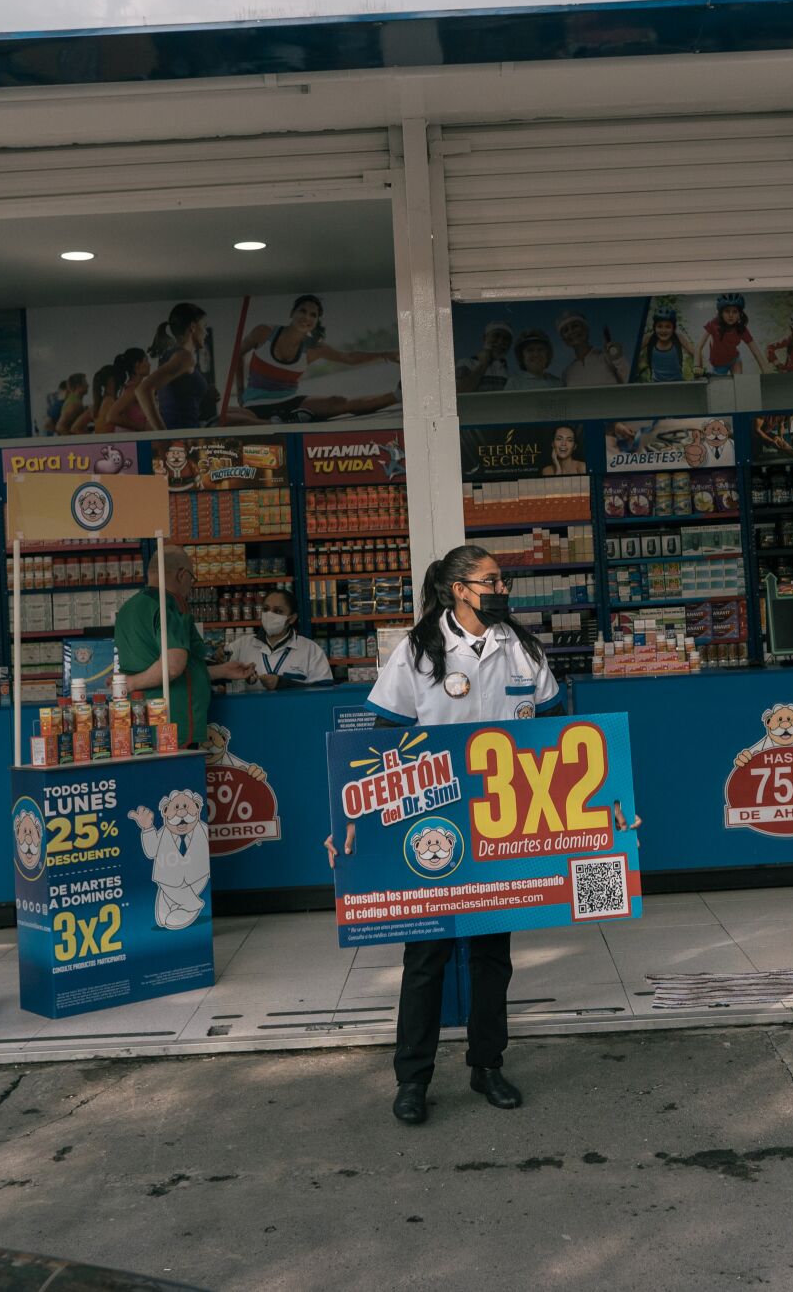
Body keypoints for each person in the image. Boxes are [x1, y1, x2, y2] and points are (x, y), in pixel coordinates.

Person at [335, 546, 563, 1126]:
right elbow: (381, 746)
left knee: (492, 954)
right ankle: (413, 1079)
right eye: (491, 579)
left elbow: (561, 731)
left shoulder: (522, 647)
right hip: (432, 822)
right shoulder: (417, 652)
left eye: (501, 579)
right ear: (459, 589)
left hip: (503, 822)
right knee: (427, 955)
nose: (501, 587)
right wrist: (355, 826)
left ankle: (488, 1066)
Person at [114, 546, 255, 749]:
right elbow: (172, 667)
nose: (191, 585)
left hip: (141, 720)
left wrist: (221, 671)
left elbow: (167, 665)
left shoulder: (130, 607)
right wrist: (131, 683)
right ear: (182, 575)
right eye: (192, 578)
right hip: (172, 724)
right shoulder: (169, 604)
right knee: (180, 781)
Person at [230, 293, 400, 422]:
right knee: (231, 417)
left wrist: (385, 354)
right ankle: (280, 422)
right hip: (254, 405)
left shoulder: (313, 348)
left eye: (313, 315)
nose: (306, 317)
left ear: (316, 321)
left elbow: (349, 358)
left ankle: (398, 396)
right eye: (302, 311)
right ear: (292, 313)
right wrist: (240, 390)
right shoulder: (264, 332)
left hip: (290, 402)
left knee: (339, 401)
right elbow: (238, 353)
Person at [223, 589, 333, 690]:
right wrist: (218, 658)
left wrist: (282, 683)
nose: (270, 614)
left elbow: (324, 691)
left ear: (292, 618)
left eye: (278, 611)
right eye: (266, 609)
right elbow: (215, 675)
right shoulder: (242, 645)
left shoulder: (311, 650)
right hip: (251, 710)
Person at [139, 303, 210, 431]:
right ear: (193, 327)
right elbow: (143, 390)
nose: (206, 333)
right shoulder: (184, 357)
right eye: (204, 327)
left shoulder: (170, 355)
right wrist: (163, 436)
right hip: (181, 436)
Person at [697, 294, 767, 377]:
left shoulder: (741, 329)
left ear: (739, 314)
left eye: (734, 311)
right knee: (720, 388)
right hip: (719, 364)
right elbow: (699, 347)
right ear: (721, 313)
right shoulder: (713, 324)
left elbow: (756, 352)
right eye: (727, 311)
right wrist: (697, 366)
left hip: (734, 360)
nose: (731, 315)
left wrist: (768, 376)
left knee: (738, 384)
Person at [556, 310, 626, 387]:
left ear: (586, 329)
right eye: (566, 330)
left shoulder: (606, 358)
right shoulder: (567, 373)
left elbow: (629, 382)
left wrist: (617, 358)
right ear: (564, 340)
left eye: (575, 326)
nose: (571, 332)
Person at [636, 307, 694, 383]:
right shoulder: (649, 338)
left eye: (668, 327)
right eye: (659, 326)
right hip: (656, 384)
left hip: (678, 383)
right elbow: (632, 354)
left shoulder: (678, 338)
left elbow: (695, 353)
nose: (663, 330)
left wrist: (698, 368)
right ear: (654, 327)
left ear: (673, 329)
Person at [458, 321, 514, 393]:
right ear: (484, 338)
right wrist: (483, 364)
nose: (500, 342)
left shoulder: (510, 374)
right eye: (496, 335)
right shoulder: (465, 363)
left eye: (506, 339)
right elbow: (459, 392)